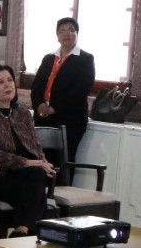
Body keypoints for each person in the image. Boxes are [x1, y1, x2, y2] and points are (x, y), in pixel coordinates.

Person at [0, 64, 55, 237]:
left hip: (26, 176)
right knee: (38, 194)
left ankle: (21, 231)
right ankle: (25, 232)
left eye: (10, 80)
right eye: (0, 82)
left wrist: (43, 162)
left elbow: (35, 145)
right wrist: (28, 162)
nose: (8, 85)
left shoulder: (23, 113)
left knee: (37, 177)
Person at [29, 17, 97, 161]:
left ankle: (63, 185)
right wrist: (39, 105)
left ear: (77, 34)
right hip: (43, 117)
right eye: (62, 31)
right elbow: (36, 86)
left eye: (71, 30)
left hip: (70, 120)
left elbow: (80, 90)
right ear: (57, 35)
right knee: (41, 161)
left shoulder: (85, 59)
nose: (66, 34)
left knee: (64, 161)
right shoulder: (48, 58)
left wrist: (54, 108)